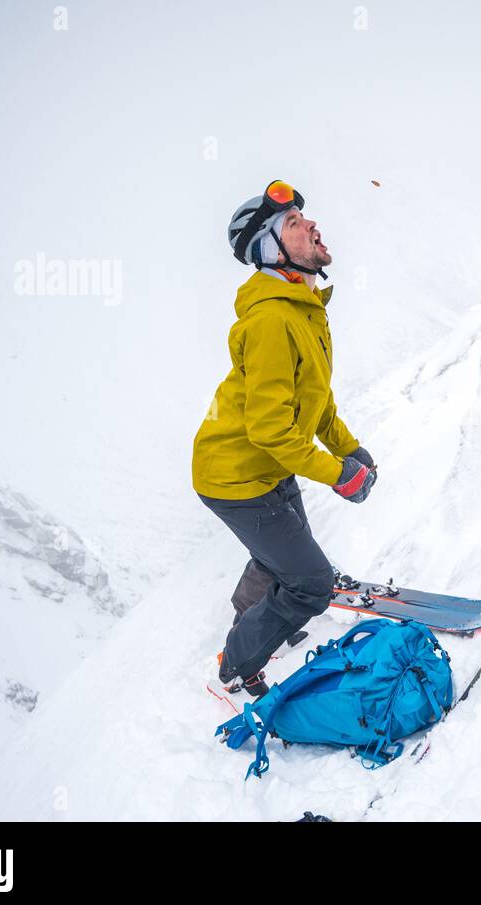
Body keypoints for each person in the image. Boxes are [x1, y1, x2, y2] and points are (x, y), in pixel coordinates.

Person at [193, 180, 377, 695]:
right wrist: (337, 474)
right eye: (294, 223)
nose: (312, 224)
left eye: (303, 217)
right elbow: (271, 427)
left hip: (268, 463)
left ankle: (248, 618)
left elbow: (313, 401)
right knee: (311, 584)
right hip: (236, 476)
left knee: (281, 553)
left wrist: (347, 447)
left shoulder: (303, 307)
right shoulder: (273, 318)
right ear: (273, 251)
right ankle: (236, 664)